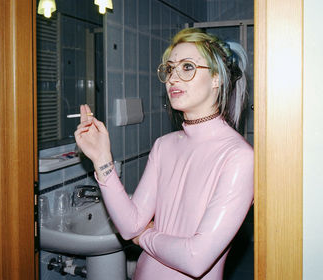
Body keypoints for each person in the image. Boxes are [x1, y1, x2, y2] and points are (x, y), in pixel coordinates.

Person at [75, 28, 253, 280]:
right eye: (170, 69)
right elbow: (130, 225)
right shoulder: (163, 145)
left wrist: (145, 236)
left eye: (187, 67)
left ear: (217, 78)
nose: (172, 78)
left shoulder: (239, 157)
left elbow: (196, 259)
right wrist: (101, 159)